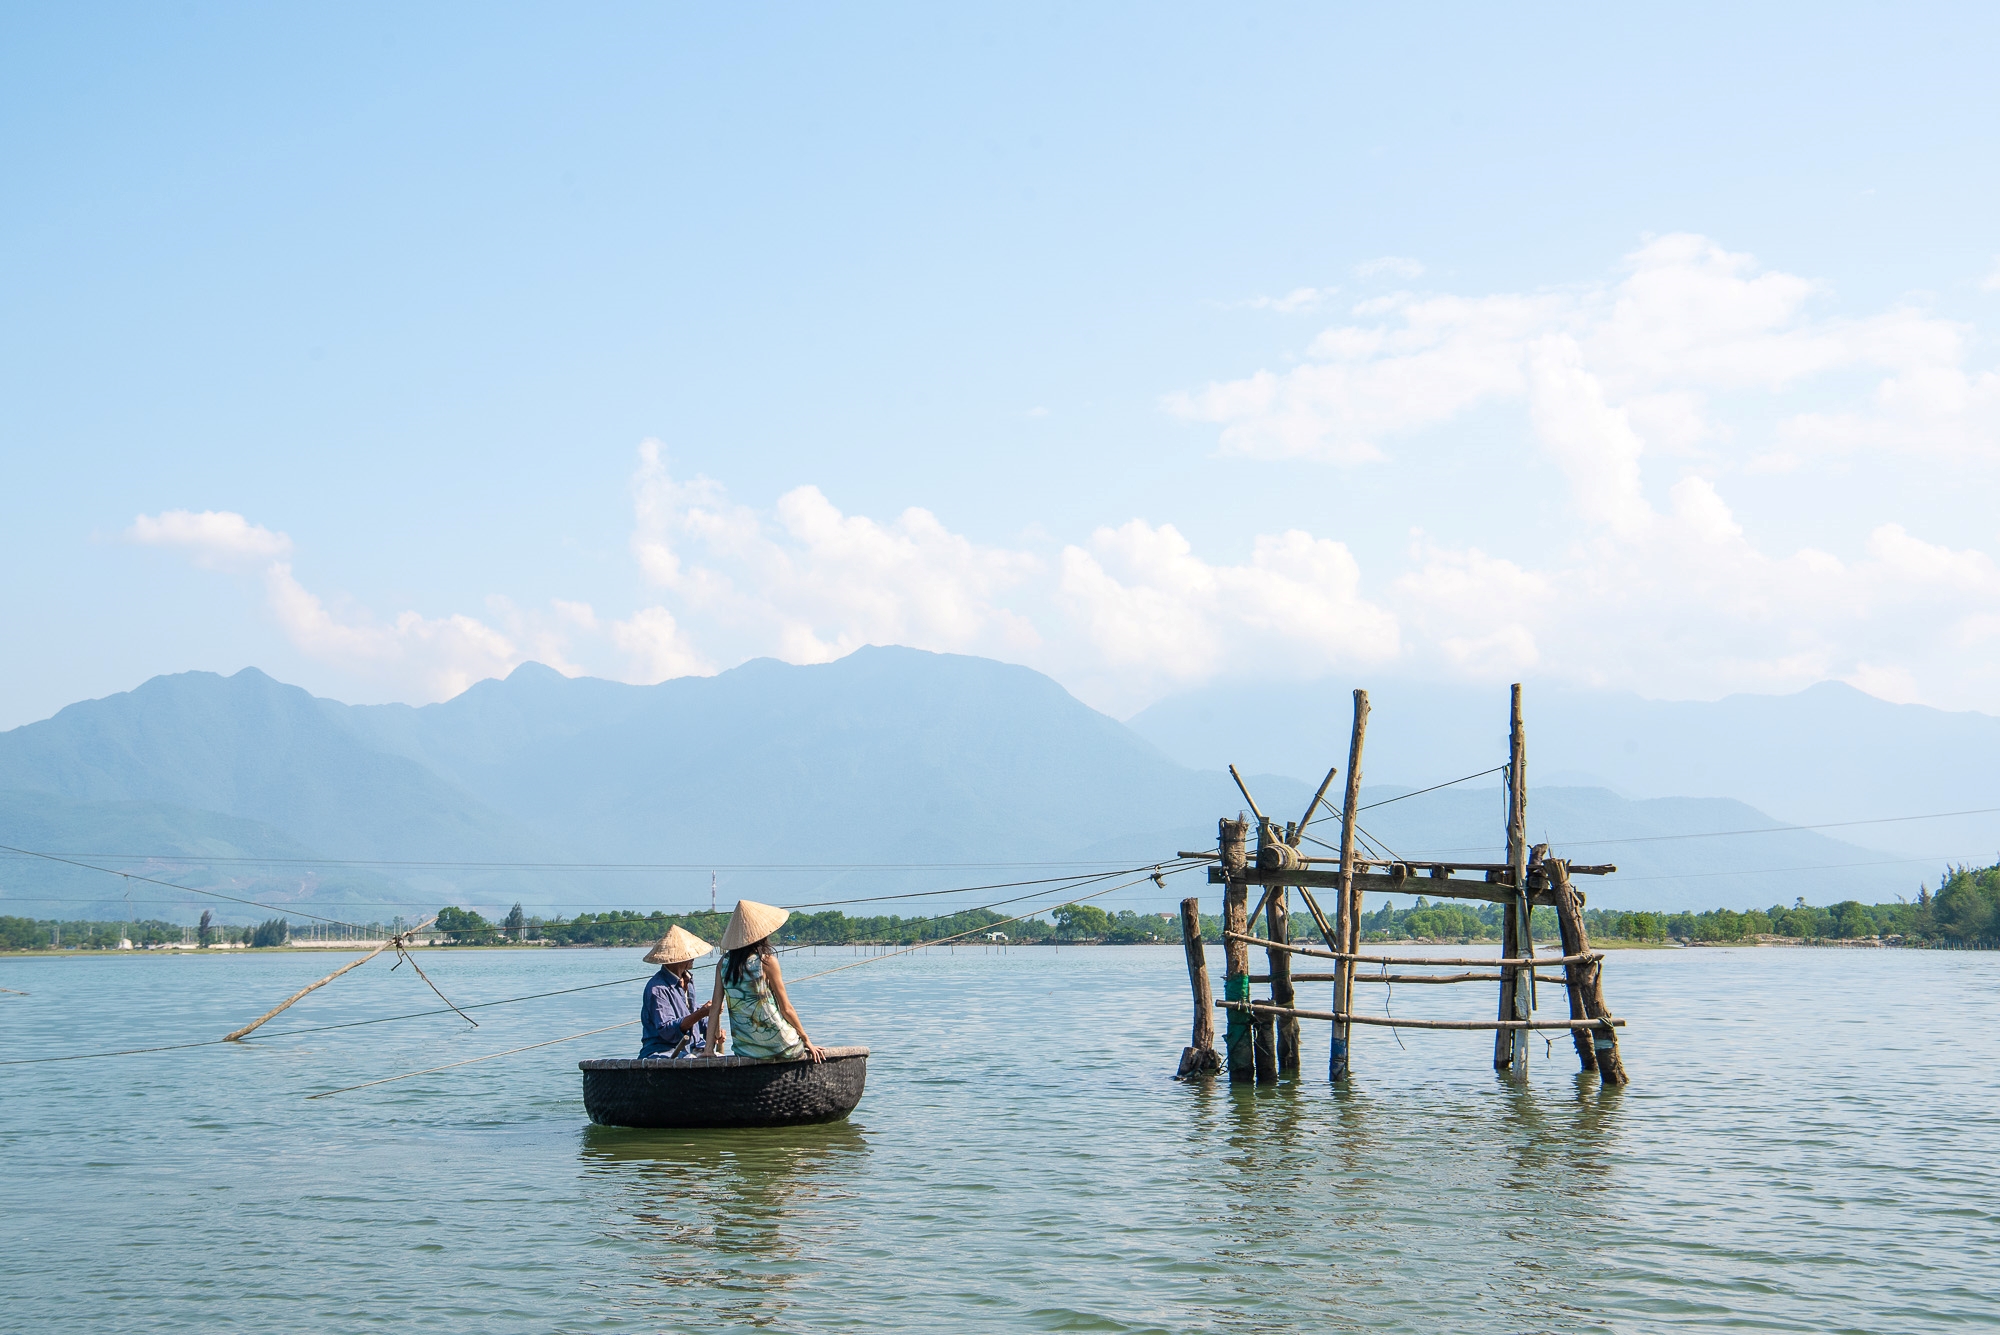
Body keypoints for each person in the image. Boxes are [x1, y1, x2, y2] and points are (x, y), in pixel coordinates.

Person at [707, 900, 824, 1063]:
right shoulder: (766, 961)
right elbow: (786, 1008)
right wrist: (806, 1040)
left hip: (745, 1048)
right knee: (795, 1043)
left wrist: (708, 1050)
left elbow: (715, 1007)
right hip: (779, 1044)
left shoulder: (723, 963)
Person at [637, 925, 715, 1059]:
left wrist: (712, 1026)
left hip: (693, 1047)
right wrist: (701, 1013)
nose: (693, 957)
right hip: (664, 1051)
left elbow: (690, 1011)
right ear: (678, 958)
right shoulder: (657, 989)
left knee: (718, 1057)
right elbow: (667, 1030)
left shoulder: (687, 980)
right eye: (689, 955)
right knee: (690, 1060)